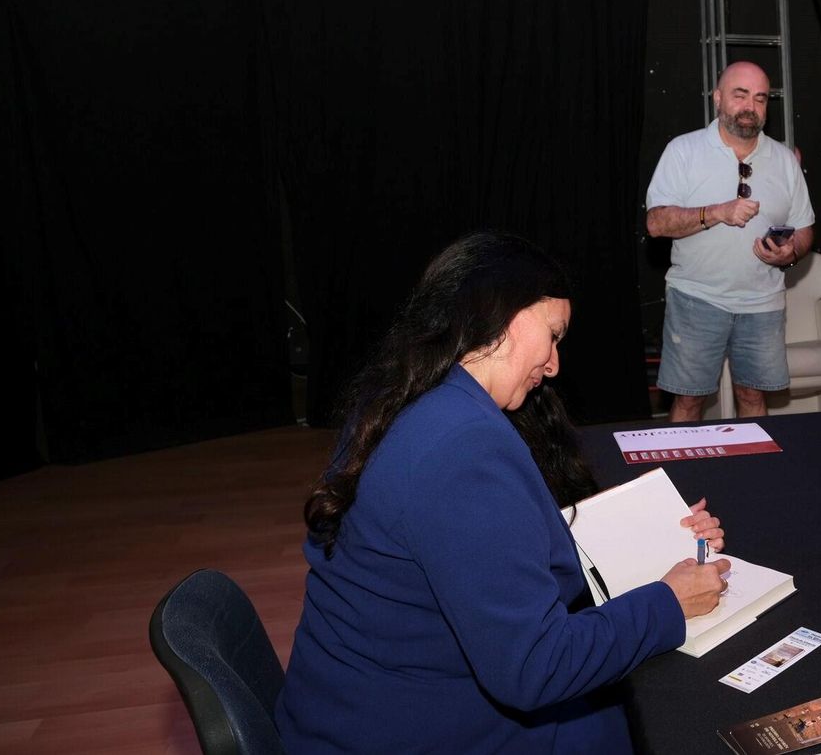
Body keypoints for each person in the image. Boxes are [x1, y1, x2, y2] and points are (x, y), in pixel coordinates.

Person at [276, 231, 732, 753]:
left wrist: (645, 532)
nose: (556, 364)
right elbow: (535, 669)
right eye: (554, 335)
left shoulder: (412, 396)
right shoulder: (462, 448)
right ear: (503, 314)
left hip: (362, 703)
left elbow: (480, 544)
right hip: (408, 727)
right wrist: (669, 603)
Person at [645, 61, 816, 422]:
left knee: (753, 397)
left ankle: (756, 477)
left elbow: (804, 228)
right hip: (696, 299)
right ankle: (680, 476)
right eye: (740, 95)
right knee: (689, 401)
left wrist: (791, 251)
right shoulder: (683, 151)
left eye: (760, 98)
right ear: (718, 98)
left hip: (763, 305)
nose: (750, 107)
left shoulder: (785, 160)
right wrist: (716, 212)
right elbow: (656, 223)